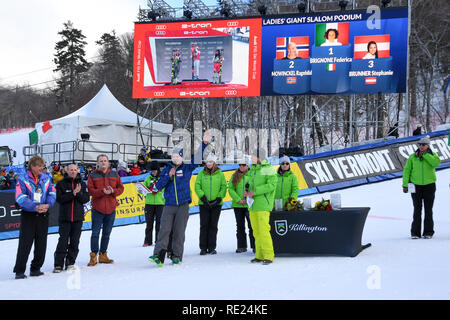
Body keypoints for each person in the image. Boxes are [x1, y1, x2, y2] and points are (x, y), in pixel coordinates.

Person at [148, 132, 210, 266]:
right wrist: (168, 176)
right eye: (174, 156)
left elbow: (198, 158)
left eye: (178, 156)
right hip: (169, 205)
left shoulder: (187, 168)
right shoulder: (165, 170)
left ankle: (176, 256)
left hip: (183, 205)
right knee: (164, 230)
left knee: (179, 232)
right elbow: (158, 186)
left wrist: (204, 144)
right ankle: (158, 255)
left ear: (182, 158)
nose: (176, 158)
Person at [13, 156, 56, 279]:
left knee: (41, 243)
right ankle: (19, 271)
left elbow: (52, 193)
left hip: (43, 214)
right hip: (29, 215)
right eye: (38, 166)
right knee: (25, 244)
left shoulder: (47, 178)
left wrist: (48, 204)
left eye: (42, 166)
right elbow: (20, 197)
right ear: (32, 166)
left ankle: (36, 268)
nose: (41, 168)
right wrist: (34, 207)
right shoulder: (22, 179)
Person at [87, 154, 124, 266]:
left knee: (107, 233)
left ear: (108, 163)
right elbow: (90, 191)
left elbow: (121, 188)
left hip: (111, 209)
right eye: (101, 161)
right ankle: (93, 256)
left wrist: (113, 191)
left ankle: (103, 255)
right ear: (98, 163)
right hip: (98, 209)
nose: (103, 162)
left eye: (105, 161)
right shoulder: (92, 175)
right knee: (95, 233)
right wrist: (102, 191)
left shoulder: (114, 174)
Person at [53, 164, 90, 273]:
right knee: (63, 242)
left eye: (75, 170)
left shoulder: (82, 184)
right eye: (71, 170)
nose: (73, 172)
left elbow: (85, 199)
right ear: (67, 171)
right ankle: (58, 264)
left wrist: (77, 194)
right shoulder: (61, 184)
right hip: (65, 218)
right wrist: (72, 194)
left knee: (74, 242)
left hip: (78, 218)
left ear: (78, 171)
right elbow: (59, 199)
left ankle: (70, 262)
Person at [402, 136, 441, 239]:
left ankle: (428, 232)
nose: (421, 146)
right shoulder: (412, 157)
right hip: (415, 186)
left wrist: (425, 155)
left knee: (428, 209)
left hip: (429, 186)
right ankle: (415, 232)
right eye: (419, 144)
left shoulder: (432, 155)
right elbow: (407, 171)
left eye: (423, 145)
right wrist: (405, 185)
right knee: (417, 209)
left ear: (428, 146)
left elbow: (436, 163)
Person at [245, 153, 277, 265]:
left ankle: (268, 255)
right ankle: (259, 255)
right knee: (256, 232)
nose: (252, 159)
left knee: (263, 231)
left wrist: (256, 191)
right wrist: (246, 190)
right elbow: (248, 183)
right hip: (252, 205)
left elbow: (272, 185)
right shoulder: (252, 169)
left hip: (263, 205)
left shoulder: (267, 168)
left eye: (254, 157)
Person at [194, 153, 227, 255]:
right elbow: (197, 186)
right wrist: (203, 198)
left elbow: (223, 187)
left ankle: (212, 247)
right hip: (204, 204)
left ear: (214, 163)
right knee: (204, 225)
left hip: (216, 204)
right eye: (207, 162)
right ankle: (203, 247)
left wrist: (218, 199)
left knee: (213, 225)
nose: (209, 164)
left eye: (211, 162)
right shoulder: (201, 173)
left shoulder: (220, 174)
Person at [228, 158, 255, 254]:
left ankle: (254, 246)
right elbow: (231, 189)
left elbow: (255, 188)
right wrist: (238, 200)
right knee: (240, 226)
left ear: (248, 166)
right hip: (238, 205)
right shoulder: (235, 175)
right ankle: (241, 246)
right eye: (240, 165)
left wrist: (248, 197)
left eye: (243, 165)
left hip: (249, 205)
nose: (241, 167)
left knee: (252, 226)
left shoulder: (252, 174)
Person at [142, 161, 165, 246]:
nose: (154, 173)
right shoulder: (148, 179)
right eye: (152, 171)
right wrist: (143, 190)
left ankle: (158, 240)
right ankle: (147, 241)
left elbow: (165, 188)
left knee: (159, 223)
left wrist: (158, 190)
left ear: (158, 170)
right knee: (149, 223)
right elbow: (144, 189)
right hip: (149, 204)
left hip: (160, 203)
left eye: (155, 171)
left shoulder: (162, 179)